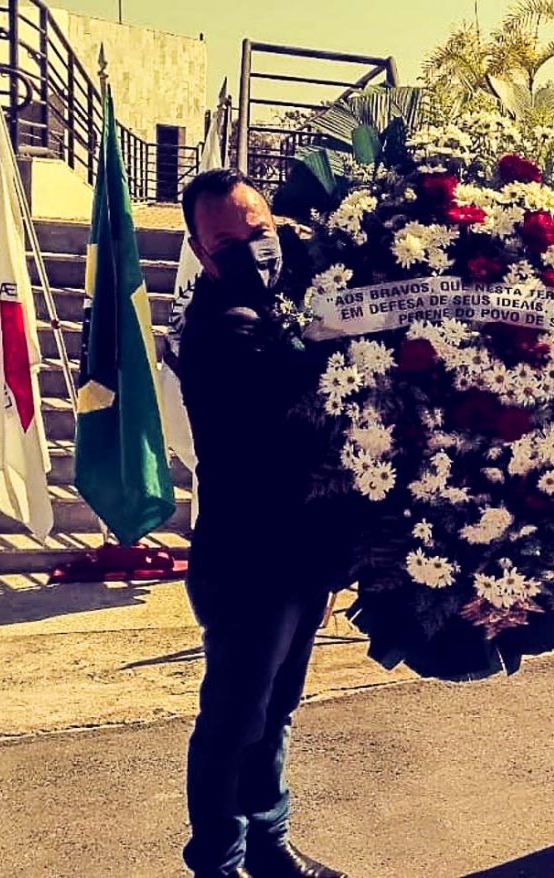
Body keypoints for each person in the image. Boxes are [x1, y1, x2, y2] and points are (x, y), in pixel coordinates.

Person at [177, 168, 346, 878]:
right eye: (227, 239)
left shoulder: (277, 306)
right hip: (248, 566)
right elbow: (295, 407)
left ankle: (270, 847)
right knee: (234, 724)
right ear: (199, 249)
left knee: (274, 714)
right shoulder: (224, 327)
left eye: (260, 229)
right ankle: (217, 861)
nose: (250, 246)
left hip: (299, 558)